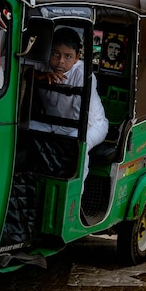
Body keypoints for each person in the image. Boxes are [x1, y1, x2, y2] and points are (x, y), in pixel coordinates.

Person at [31, 27, 109, 183]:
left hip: (89, 125)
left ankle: (75, 193)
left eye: (68, 56)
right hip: (52, 122)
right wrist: (40, 76)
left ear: (76, 58)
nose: (60, 61)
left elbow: (78, 117)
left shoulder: (83, 74)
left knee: (77, 145)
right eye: (55, 54)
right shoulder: (42, 65)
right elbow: (15, 66)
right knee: (26, 130)